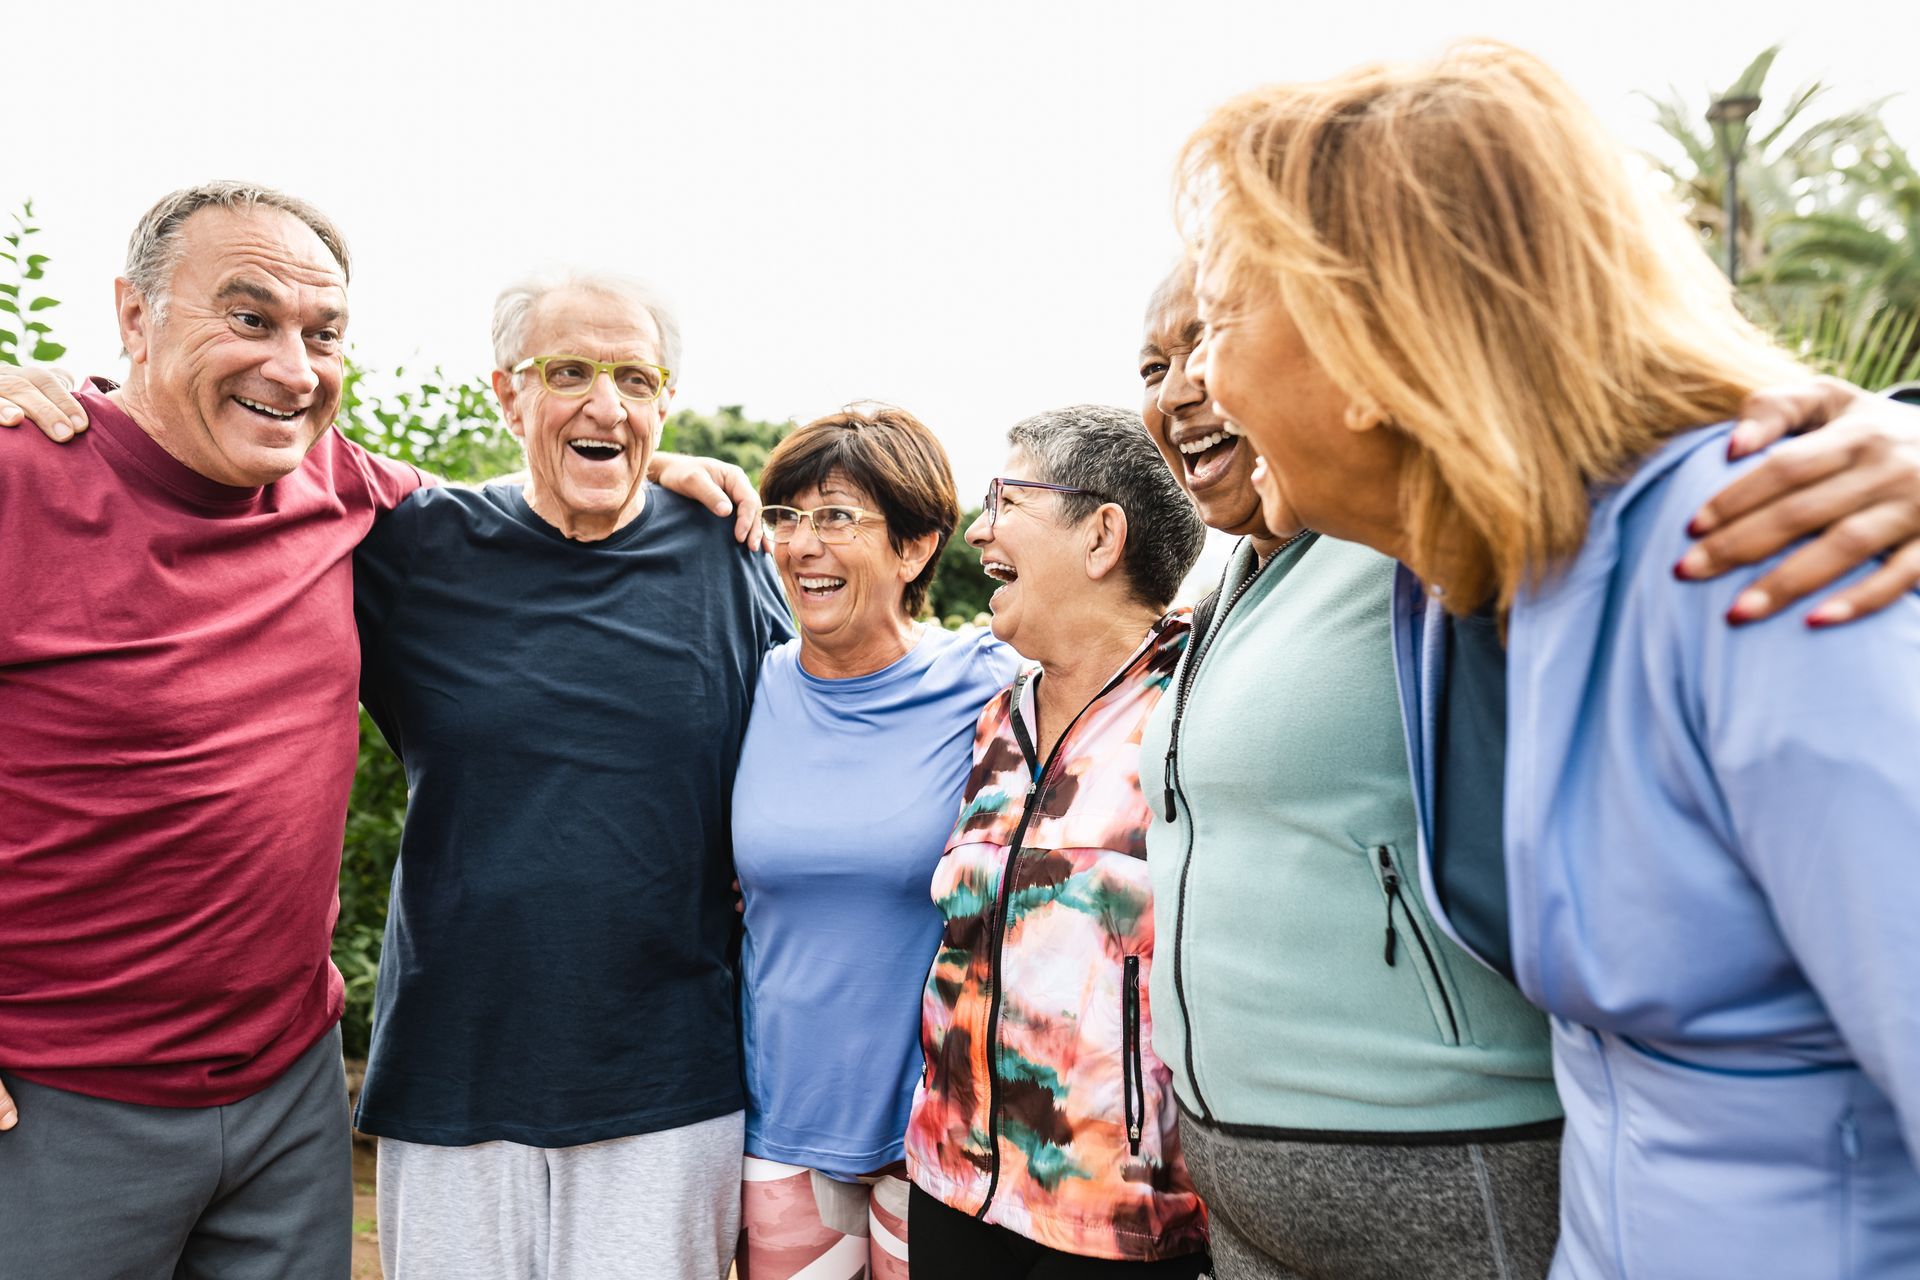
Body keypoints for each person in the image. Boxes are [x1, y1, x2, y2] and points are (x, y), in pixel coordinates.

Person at [1178, 41, 1920, 1278]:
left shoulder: (1765, 560)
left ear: (1367, 348)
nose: (1199, 378)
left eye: (1215, 322)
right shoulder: (1470, 584)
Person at [0, 184, 760, 1280]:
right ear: (133, 317)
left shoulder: (343, 490)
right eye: (249, 319)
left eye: (322, 334)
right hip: (60, 1096)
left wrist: (671, 483)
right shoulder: (30, 472)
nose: (291, 367)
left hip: (288, 1090)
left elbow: (540, 521)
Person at [351, 270, 791, 1280]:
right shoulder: (418, 547)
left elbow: (839, 710)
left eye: (636, 378)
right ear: (507, 393)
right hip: (456, 1063)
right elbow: (238, 493)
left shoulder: (727, 553)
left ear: (666, 401)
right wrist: (67, 406)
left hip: (667, 1075)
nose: (607, 404)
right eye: (571, 371)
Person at [905, 405, 1212, 1278]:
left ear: (1101, 535)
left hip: (1117, 1221)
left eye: (1007, 499)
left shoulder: (1200, 708)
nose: (978, 528)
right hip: (950, 1182)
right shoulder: (992, 719)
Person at [731, 405, 1020, 1279]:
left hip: (939, 1133)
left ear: (916, 547)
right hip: (781, 1121)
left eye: (837, 518)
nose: (803, 545)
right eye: (787, 518)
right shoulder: (750, 680)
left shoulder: (991, 683)